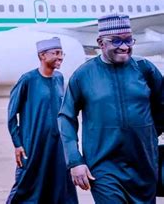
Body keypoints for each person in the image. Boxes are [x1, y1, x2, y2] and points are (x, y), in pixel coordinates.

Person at [58, 13, 163, 203]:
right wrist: (75, 160)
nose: (124, 47)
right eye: (116, 41)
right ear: (101, 42)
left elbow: (162, 105)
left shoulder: (145, 69)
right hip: (103, 165)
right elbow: (66, 117)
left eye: (128, 40)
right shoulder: (84, 75)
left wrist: (148, 134)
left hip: (144, 163)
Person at [6, 37, 77, 203]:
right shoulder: (28, 80)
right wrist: (17, 144)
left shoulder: (59, 78)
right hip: (33, 144)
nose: (60, 57)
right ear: (42, 55)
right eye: (56, 53)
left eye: (62, 53)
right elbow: (11, 114)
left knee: (59, 186)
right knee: (26, 186)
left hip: (58, 146)